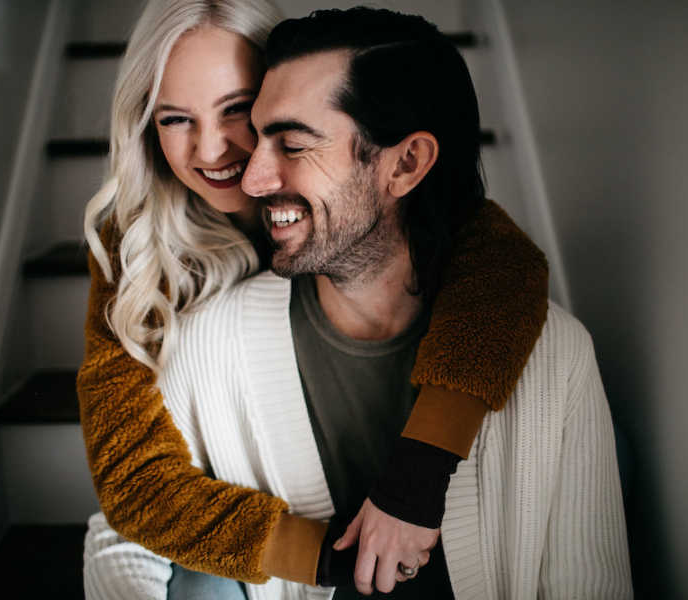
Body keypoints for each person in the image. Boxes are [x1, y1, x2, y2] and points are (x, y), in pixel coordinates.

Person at [83, 5, 632, 600]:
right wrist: (334, 561)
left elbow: (504, 267)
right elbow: (135, 484)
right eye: (174, 119)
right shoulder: (140, 256)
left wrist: (416, 477)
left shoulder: (499, 291)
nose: (223, 156)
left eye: (240, 111)